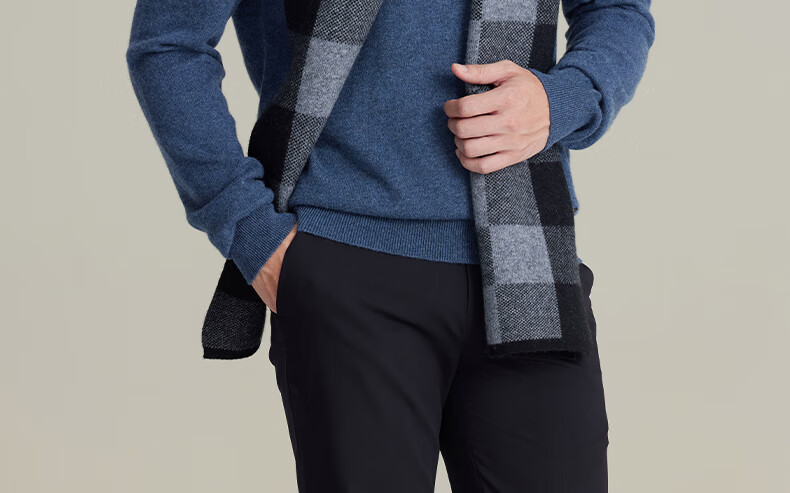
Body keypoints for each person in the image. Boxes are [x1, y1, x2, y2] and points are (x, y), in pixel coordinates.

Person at [126, 0, 655, 491]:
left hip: (529, 256)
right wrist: (250, 230)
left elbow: (615, 8)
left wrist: (566, 97)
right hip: (343, 263)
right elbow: (170, 42)